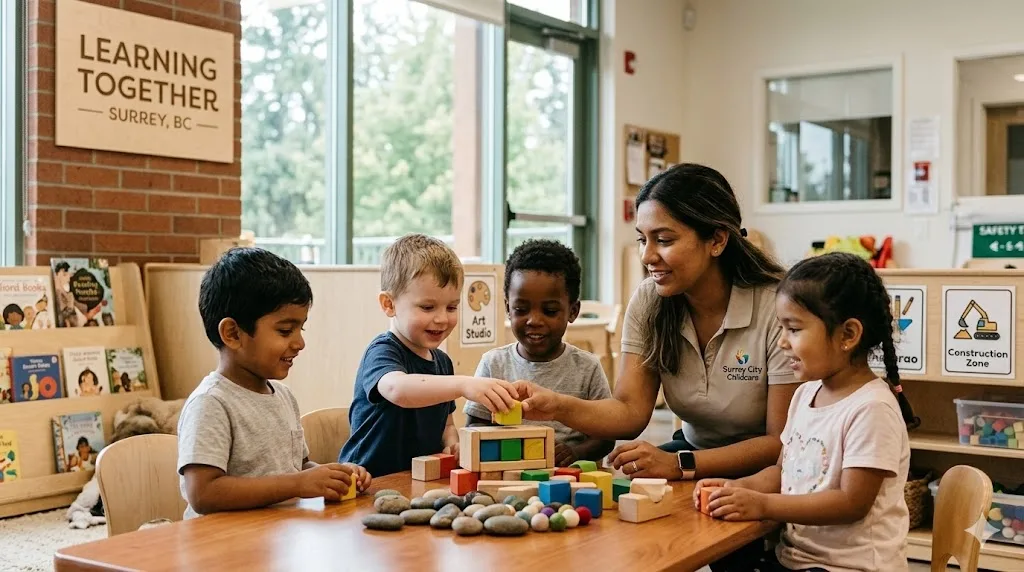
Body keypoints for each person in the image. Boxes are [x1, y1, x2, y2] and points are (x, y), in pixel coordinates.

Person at [514, 163, 801, 483]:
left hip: (768, 470)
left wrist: (681, 464)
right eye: (642, 239)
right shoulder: (650, 300)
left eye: (663, 240)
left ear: (717, 240)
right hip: (692, 453)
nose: (646, 256)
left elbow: (781, 441)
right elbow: (629, 412)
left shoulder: (777, 307)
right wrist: (556, 405)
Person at [699, 252, 918, 572]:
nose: (782, 342)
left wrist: (763, 504)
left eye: (794, 329)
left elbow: (851, 503)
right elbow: (780, 472)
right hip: (799, 561)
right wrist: (739, 488)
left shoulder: (872, 408)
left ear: (848, 335)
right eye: (781, 329)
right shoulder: (805, 394)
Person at [177, 248, 372, 519]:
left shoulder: (283, 396)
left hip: (275, 538)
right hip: (219, 547)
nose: (300, 343)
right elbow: (203, 493)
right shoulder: (211, 403)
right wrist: (297, 484)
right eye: (285, 331)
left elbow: (297, 468)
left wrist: (333, 476)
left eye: (300, 329)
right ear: (233, 333)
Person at [338, 234, 519, 477]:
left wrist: (451, 443)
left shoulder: (442, 362)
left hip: (419, 482)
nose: (442, 318)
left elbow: (446, 424)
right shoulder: (382, 351)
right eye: (427, 307)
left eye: (452, 307)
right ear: (389, 305)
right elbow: (398, 390)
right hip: (368, 483)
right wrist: (465, 384)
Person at [464, 239, 614, 465]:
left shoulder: (587, 367)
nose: (534, 320)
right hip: (508, 476)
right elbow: (474, 425)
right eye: (521, 310)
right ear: (507, 309)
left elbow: (606, 436)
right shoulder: (493, 363)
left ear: (573, 311)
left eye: (550, 311)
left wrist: (576, 452)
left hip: (569, 477)